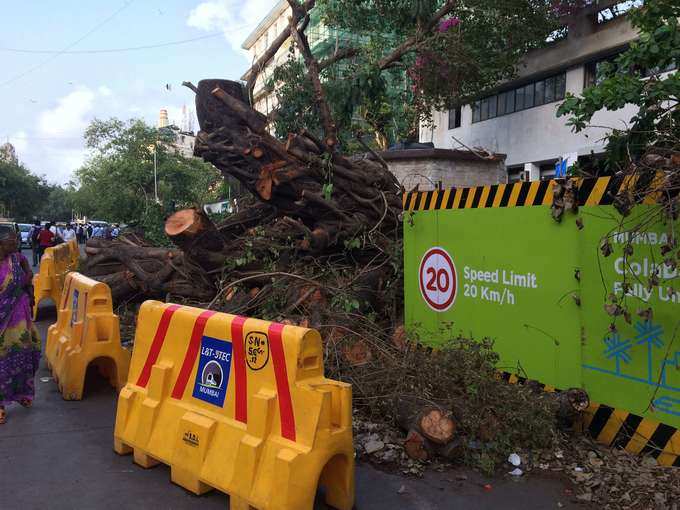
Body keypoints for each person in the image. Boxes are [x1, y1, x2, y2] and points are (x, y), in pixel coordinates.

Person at [0, 225, 41, 424]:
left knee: (24, 355)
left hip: (20, 316)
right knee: (2, 361)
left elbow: (28, 276)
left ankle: (22, 393)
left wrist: (30, 293)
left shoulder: (18, 258)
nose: (16, 244)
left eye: (16, 240)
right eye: (11, 241)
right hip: (3, 320)